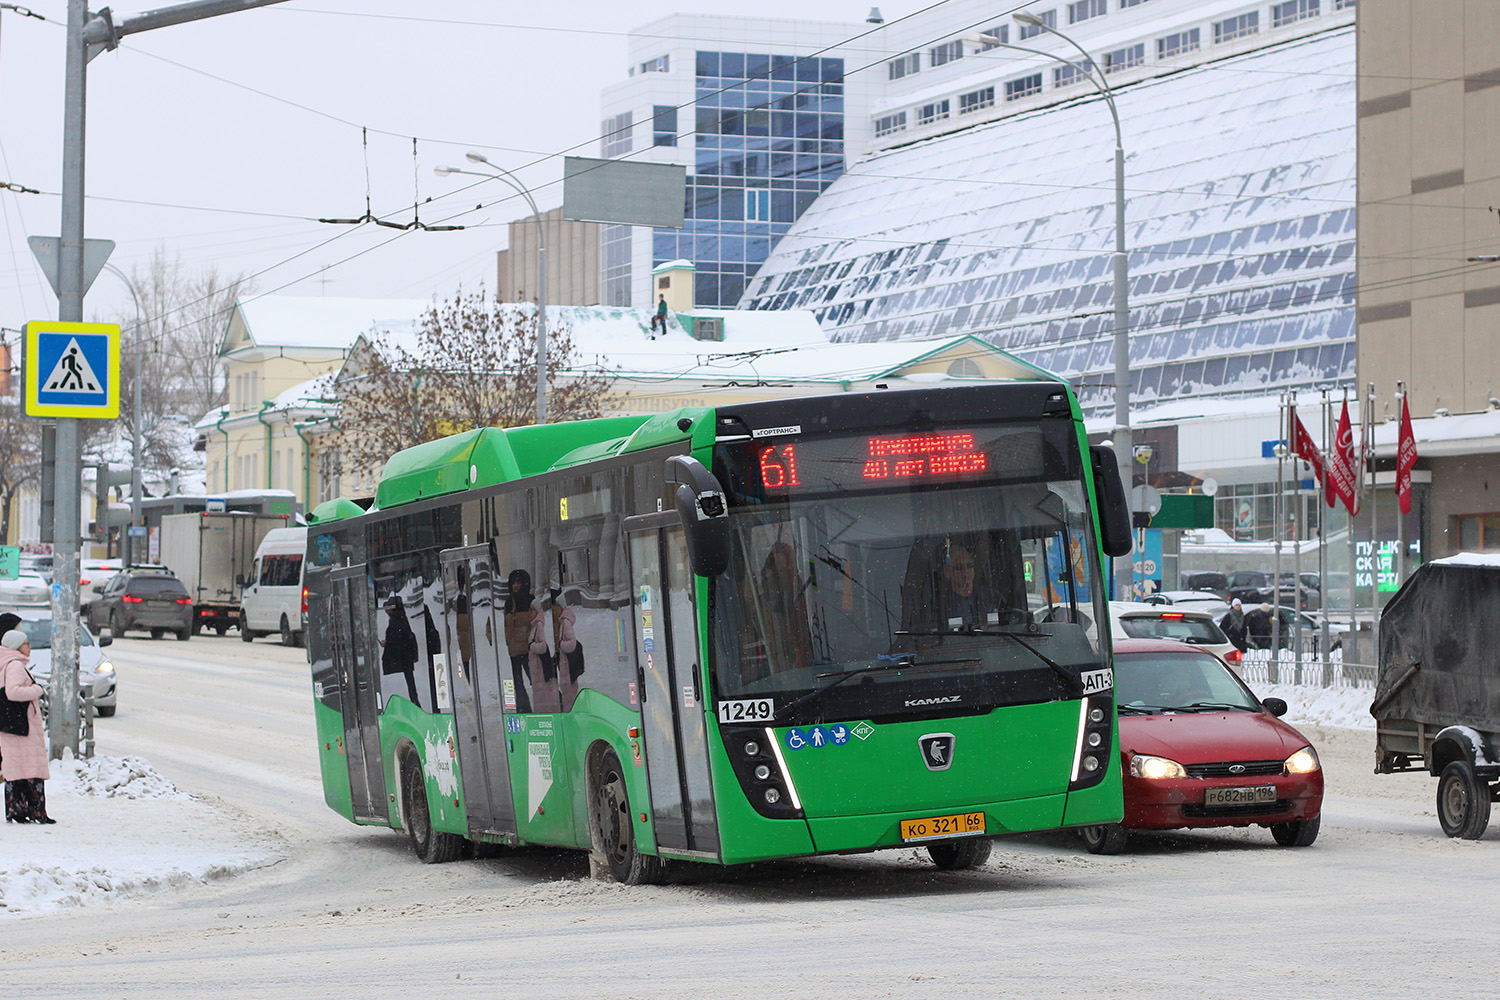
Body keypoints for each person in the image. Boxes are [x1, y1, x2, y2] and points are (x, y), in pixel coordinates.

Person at [1, 629, 54, 824]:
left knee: (17, 768)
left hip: (12, 724)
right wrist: (37, 690)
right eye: (26, 643)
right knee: (31, 768)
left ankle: (17, 810)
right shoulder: (15, 665)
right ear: (16, 646)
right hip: (22, 725)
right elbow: (13, 692)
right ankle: (36, 812)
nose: (29, 647)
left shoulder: (5, 663)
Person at [379, 594, 421, 704]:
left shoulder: (395, 621)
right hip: (405, 657)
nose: (386, 611)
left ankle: (415, 703)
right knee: (410, 683)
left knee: (407, 683)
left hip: (401, 658)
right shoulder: (401, 618)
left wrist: (387, 644)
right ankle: (415, 702)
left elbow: (397, 641)